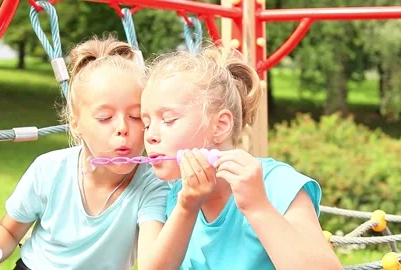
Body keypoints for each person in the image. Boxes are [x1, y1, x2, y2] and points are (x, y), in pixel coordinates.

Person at [0, 36, 169, 270]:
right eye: (105, 118)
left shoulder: (152, 185)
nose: (122, 128)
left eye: (136, 116)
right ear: (75, 123)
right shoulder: (49, 170)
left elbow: (152, 263)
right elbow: (8, 231)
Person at [139, 45, 342, 269]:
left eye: (168, 120)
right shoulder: (175, 195)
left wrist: (257, 207)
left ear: (220, 125)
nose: (150, 135)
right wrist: (186, 207)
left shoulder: (277, 184)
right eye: (146, 124)